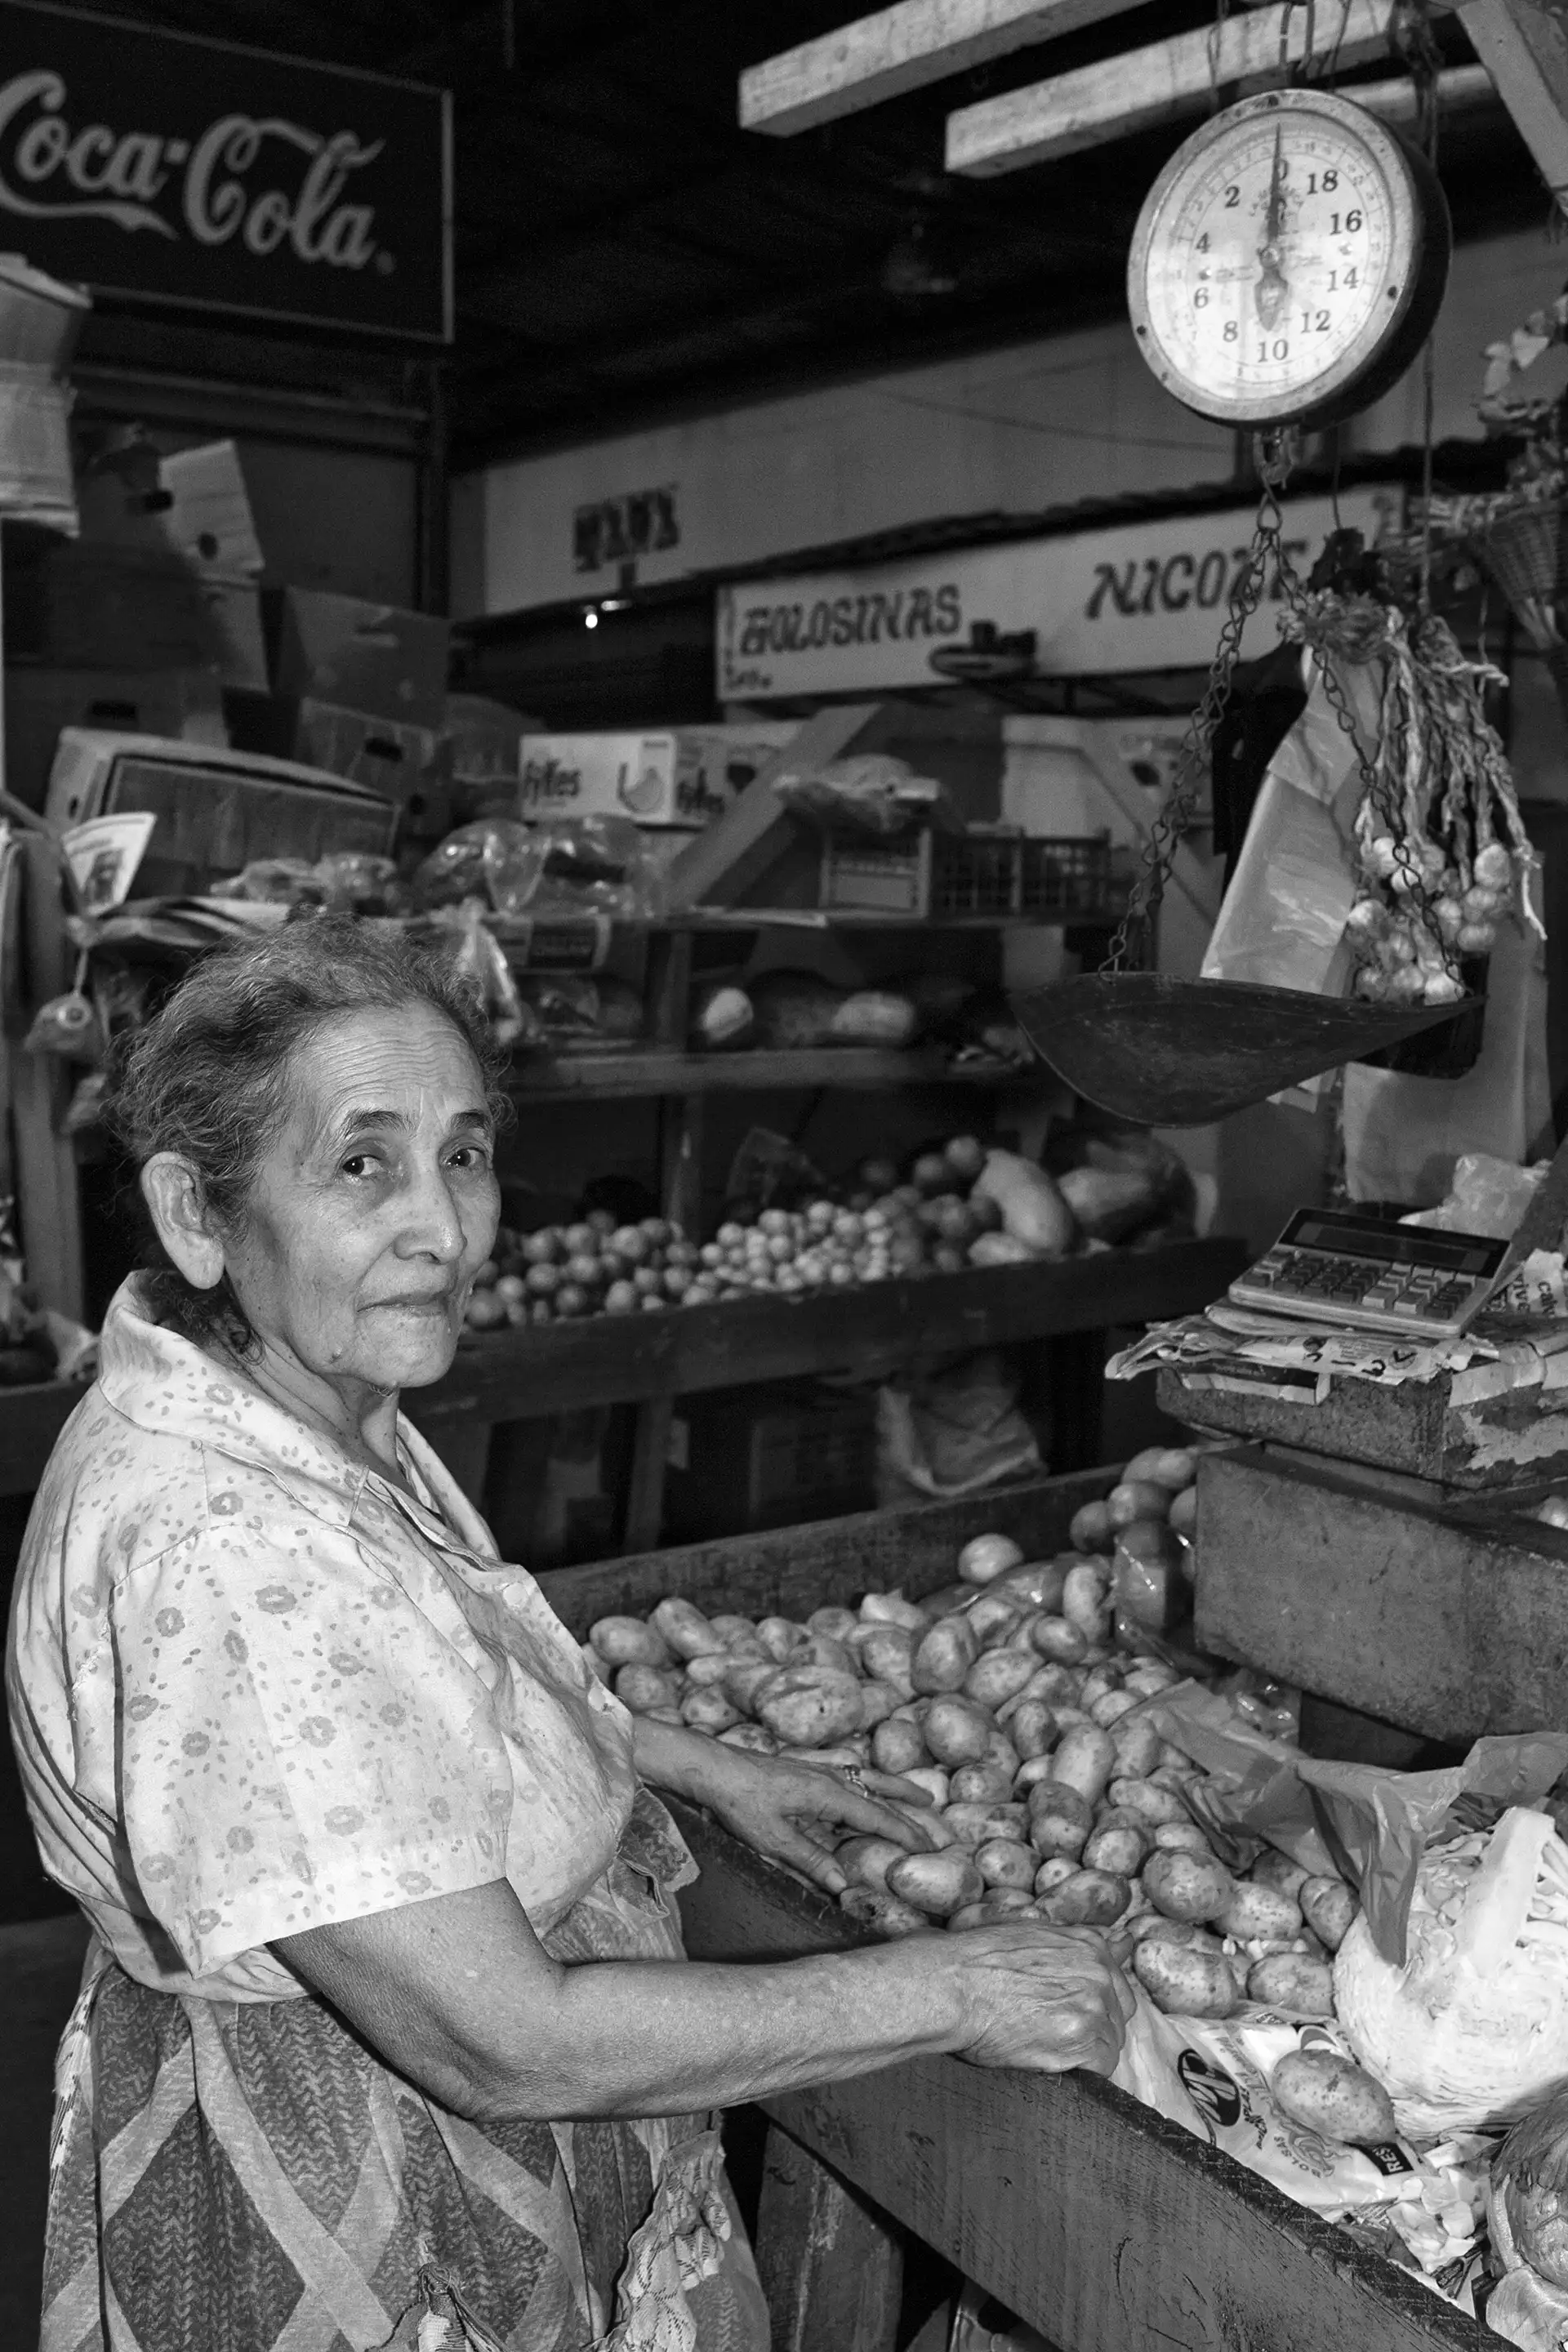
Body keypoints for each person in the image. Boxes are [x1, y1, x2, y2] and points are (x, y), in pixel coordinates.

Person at [7, 920, 1131, 2352]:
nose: (443, 1228)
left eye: (462, 1156)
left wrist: (681, 1758)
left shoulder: (288, 1391)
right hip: (360, 2162)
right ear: (195, 1213)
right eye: (363, 1164)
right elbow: (502, 2039)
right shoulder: (226, 1550)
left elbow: (418, 1691)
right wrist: (951, 1986)